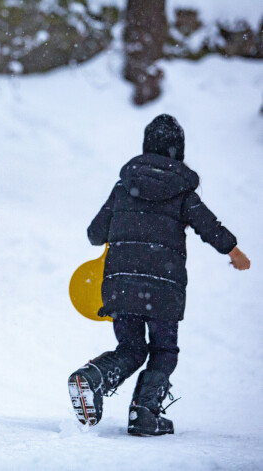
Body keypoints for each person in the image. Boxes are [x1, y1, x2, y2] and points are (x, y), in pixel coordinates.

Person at [68, 114, 250, 436]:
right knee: (163, 351)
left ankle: (94, 376)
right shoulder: (182, 192)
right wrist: (234, 252)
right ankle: (144, 412)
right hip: (163, 289)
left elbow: (95, 234)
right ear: (176, 152)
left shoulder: (124, 187)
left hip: (121, 286)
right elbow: (208, 226)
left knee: (132, 348)